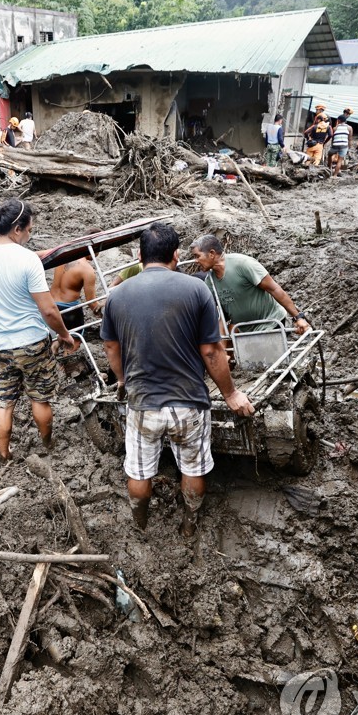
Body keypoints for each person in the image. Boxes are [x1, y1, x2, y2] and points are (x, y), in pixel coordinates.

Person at [99, 223, 254, 535]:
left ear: (140, 256)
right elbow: (212, 351)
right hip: (188, 401)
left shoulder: (116, 296)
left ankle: (140, 523)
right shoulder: (196, 289)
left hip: (143, 403)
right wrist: (231, 394)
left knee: (139, 472)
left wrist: (122, 380)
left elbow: (110, 347)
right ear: (176, 255)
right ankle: (189, 523)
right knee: (193, 467)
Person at [0, 199, 77, 460]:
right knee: (39, 399)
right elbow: (48, 310)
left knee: (4, 403)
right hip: (32, 342)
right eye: (29, 230)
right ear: (17, 229)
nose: (29, 235)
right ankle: (47, 445)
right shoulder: (27, 260)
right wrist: (64, 334)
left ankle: (4, 455)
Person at [188, 234, 312, 336]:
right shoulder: (210, 281)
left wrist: (298, 317)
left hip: (269, 321)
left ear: (211, 253)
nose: (195, 261)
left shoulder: (242, 264)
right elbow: (220, 315)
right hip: (243, 328)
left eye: (197, 256)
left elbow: (274, 289)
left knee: (266, 363)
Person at [50, 228, 102, 332]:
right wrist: (105, 315)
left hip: (51, 305)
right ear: (95, 246)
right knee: (74, 344)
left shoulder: (63, 257)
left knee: (54, 341)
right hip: (69, 311)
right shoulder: (87, 270)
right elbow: (92, 303)